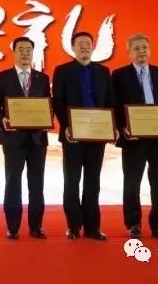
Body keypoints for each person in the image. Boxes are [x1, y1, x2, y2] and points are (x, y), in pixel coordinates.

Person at [111, 33, 158, 240]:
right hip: (133, 138)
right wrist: (122, 128)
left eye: (144, 48)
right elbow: (114, 104)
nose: (141, 52)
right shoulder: (119, 75)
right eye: (136, 48)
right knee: (132, 183)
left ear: (150, 50)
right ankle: (133, 224)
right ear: (129, 52)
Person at [52, 31, 115, 241]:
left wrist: (111, 126)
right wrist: (66, 126)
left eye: (88, 43)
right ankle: (73, 226)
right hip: (73, 135)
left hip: (97, 135)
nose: (84, 46)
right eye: (80, 43)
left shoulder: (103, 71)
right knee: (71, 182)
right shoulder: (62, 71)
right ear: (73, 47)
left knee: (93, 182)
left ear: (93, 46)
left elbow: (109, 100)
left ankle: (92, 228)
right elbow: (58, 101)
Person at [0, 37, 50, 239]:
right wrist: (3, 120)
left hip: (37, 139)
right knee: (13, 181)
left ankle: (36, 226)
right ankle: (13, 226)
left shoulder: (42, 78)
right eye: (21, 49)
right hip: (13, 139)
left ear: (33, 52)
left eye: (28, 49)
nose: (25, 53)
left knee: (37, 183)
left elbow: (47, 104)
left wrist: (47, 118)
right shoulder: (3, 77)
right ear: (14, 52)